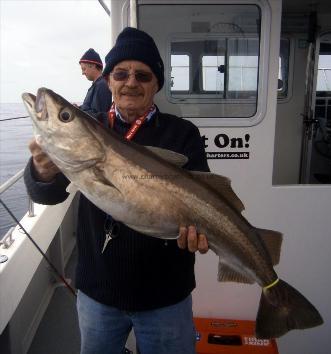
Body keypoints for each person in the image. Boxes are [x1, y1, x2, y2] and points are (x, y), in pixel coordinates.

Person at [24, 27, 210, 354]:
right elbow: (47, 195)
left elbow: (205, 197)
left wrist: (200, 232)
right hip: (99, 292)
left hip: (165, 295)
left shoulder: (183, 134)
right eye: (121, 73)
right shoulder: (93, 126)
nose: (131, 81)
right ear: (108, 81)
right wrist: (42, 169)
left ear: (156, 83)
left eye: (143, 74)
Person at [78, 48, 112, 123]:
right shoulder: (98, 84)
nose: (83, 73)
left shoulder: (102, 85)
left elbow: (98, 117)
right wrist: (78, 108)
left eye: (84, 69)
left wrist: (77, 112)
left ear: (92, 66)